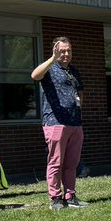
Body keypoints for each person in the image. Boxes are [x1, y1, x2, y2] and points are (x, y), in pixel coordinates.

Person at [30, 36, 86, 210]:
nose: (66, 54)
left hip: (75, 123)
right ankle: (55, 198)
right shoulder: (49, 68)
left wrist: (78, 106)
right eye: (62, 51)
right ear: (55, 50)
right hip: (55, 122)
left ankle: (70, 196)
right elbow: (35, 75)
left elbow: (80, 91)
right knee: (56, 162)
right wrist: (52, 59)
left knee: (72, 163)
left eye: (68, 50)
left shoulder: (73, 70)